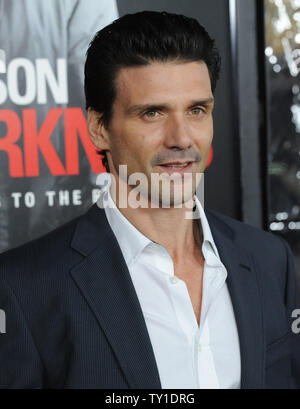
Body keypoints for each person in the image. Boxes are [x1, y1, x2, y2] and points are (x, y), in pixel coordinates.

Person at [0, 11, 299, 389]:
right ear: (99, 129)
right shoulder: (25, 288)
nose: (181, 138)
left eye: (196, 110)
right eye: (152, 113)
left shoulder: (269, 260)